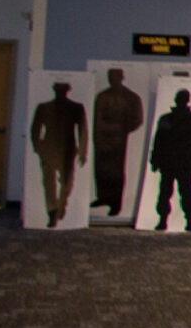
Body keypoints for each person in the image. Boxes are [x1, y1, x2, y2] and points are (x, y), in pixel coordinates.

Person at [148, 89, 191, 231]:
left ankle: (188, 220)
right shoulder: (167, 119)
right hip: (170, 161)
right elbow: (158, 141)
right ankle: (164, 219)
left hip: (184, 161)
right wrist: (155, 159)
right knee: (166, 192)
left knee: (185, 191)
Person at [29, 81, 88, 228]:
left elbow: (83, 130)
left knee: (67, 182)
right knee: (49, 182)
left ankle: (60, 207)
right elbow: (35, 127)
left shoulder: (76, 108)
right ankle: (52, 211)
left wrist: (82, 150)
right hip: (49, 148)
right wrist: (37, 146)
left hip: (67, 148)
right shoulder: (44, 107)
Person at [89, 69, 143, 217]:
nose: (112, 80)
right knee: (101, 170)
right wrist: (98, 136)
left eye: (115, 77)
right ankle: (103, 197)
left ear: (121, 78)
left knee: (116, 172)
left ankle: (115, 204)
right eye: (110, 77)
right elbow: (96, 118)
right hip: (101, 137)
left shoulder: (131, 97)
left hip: (119, 139)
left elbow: (137, 119)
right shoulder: (102, 96)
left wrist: (121, 129)